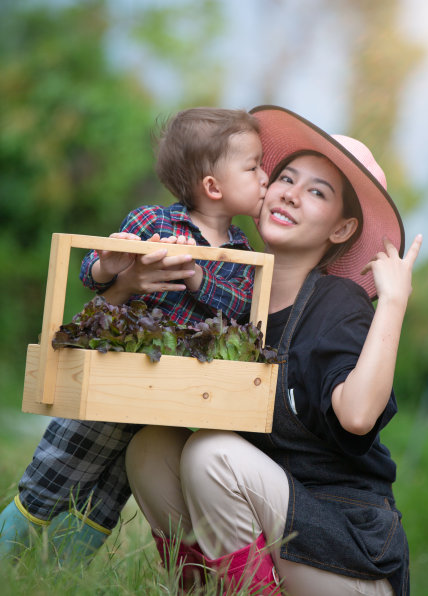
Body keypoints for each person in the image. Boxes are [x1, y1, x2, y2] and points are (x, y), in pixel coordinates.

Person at [125, 105, 422, 595]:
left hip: (345, 554)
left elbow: (358, 415)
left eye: (317, 192)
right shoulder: (230, 295)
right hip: (272, 536)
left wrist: (392, 301)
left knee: (212, 453)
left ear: (341, 229)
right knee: (151, 449)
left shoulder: (336, 303)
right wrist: (124, 279)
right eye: (286, 178)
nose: (290, 194)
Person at [0, 107, 268, 561]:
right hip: (111, 376)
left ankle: (60, 572)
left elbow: (243, 311)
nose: (265, 177)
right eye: (254, 166)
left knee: (107, 496)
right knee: (58, 467)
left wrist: (197, 275)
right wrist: (112, 262)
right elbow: (92, 271)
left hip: (165, 399)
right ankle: (9, 551)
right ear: (213, 186)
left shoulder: (242, 253)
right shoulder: (153, 223)